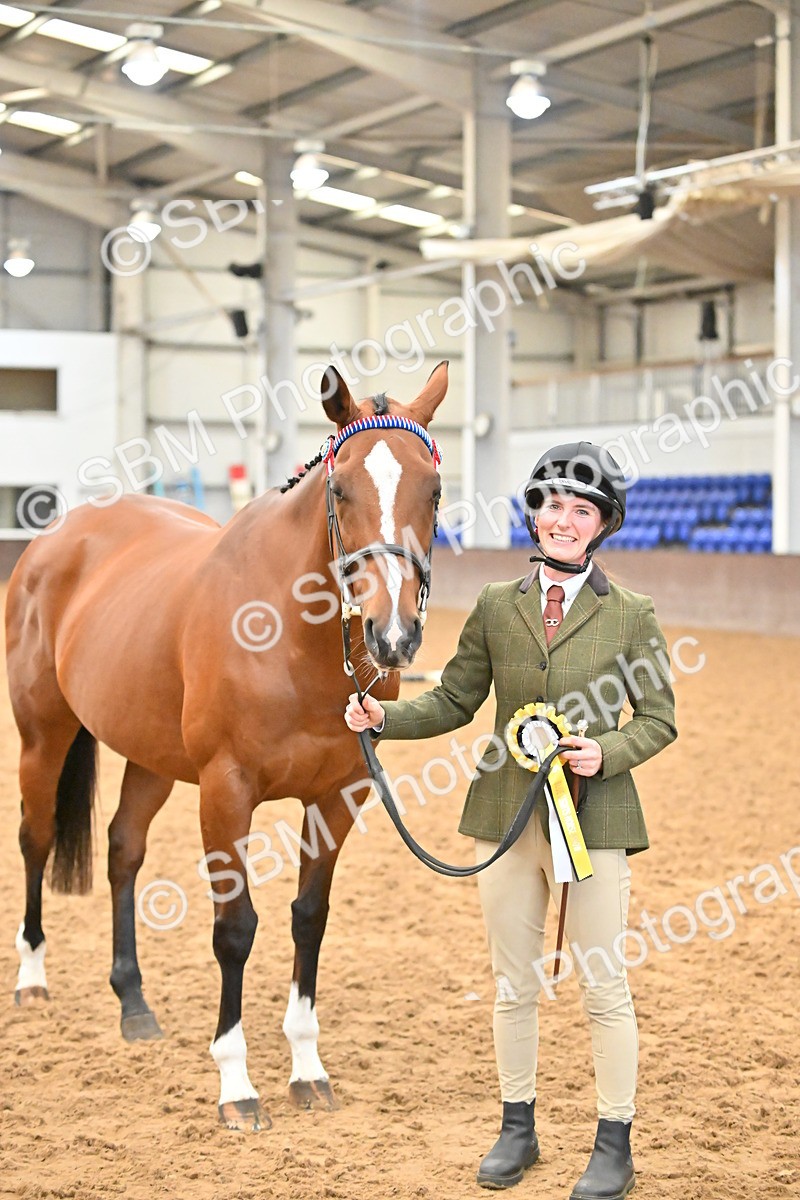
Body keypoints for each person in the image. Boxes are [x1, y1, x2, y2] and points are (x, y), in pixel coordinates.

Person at [345, 443, 677, 1198]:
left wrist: (607, 750)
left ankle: (613, 1140)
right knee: (512, 984)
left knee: (603, 984)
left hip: (594, 820)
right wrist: (383, 717)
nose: (564, 520)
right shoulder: (498, 605)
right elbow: (455, 701)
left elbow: (659, 718)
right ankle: (517, 1128)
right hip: (504, 817)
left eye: (581, 510)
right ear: (536, 513)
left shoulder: (632, 615)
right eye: (554, 505)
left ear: (601, 525)